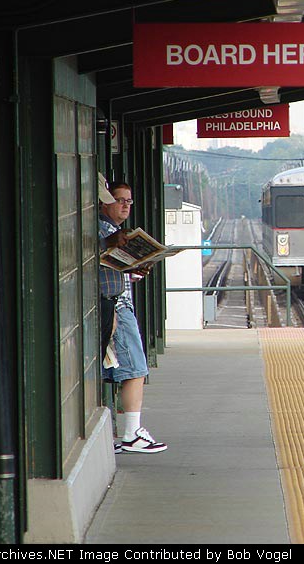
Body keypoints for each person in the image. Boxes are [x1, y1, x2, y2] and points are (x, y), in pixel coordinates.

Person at [99, 177, 167, 454]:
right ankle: (131, 435)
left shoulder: (112, 230)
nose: (126, 205)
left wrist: (133, 269)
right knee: (135, 369)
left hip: (116, 302)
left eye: (129, 200)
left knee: (126, 369)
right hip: (116, 306)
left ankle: (128, 432)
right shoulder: (105, 232)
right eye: (120, 200)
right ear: (105, 203)